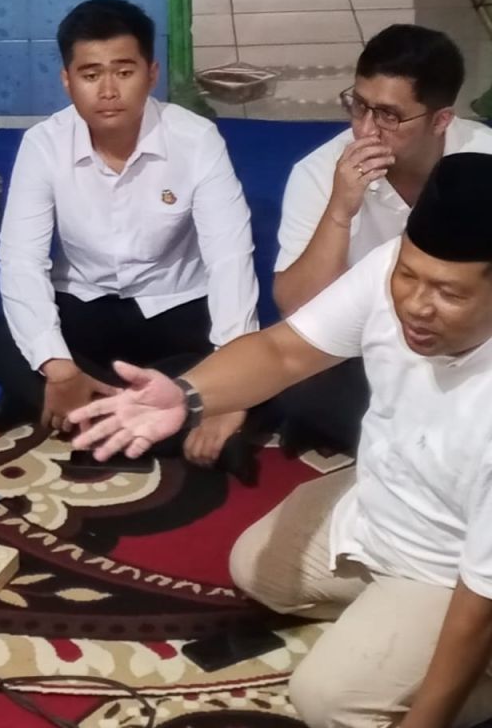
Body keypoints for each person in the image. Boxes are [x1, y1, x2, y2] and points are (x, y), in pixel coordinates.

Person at [69, 152, 492, 728]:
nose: (415, 305)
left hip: (456, 566)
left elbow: (480, 598)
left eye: (449, 293)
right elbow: (284, 350)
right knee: (256, 569)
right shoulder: (398, 269)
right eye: (408, 276)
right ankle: (392, 625)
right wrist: (186, 395)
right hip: (386, 500)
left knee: (328, 701)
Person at [0, 0, 260, 474]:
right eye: (90, 75)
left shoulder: (195, 140)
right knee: (1, 341)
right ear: (67, 81)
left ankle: (78, 416)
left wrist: (232, 389)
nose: (108, 90)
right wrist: (58, 367)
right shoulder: (44, 144)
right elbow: (22, 261)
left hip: (176, 309)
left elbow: (230, 258)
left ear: (151, 74)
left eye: (124, 72)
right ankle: (157, 418)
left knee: (250, 368)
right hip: (86, 307)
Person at [271, 24, 492, 454]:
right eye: (359, 106)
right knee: (304, 385)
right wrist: (339, 210)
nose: (366, 130)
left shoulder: (484, 161)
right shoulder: (320, 172)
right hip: (369, 354)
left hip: (470, 351)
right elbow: (295, 309)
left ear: (441, 120)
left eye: (389, 115)